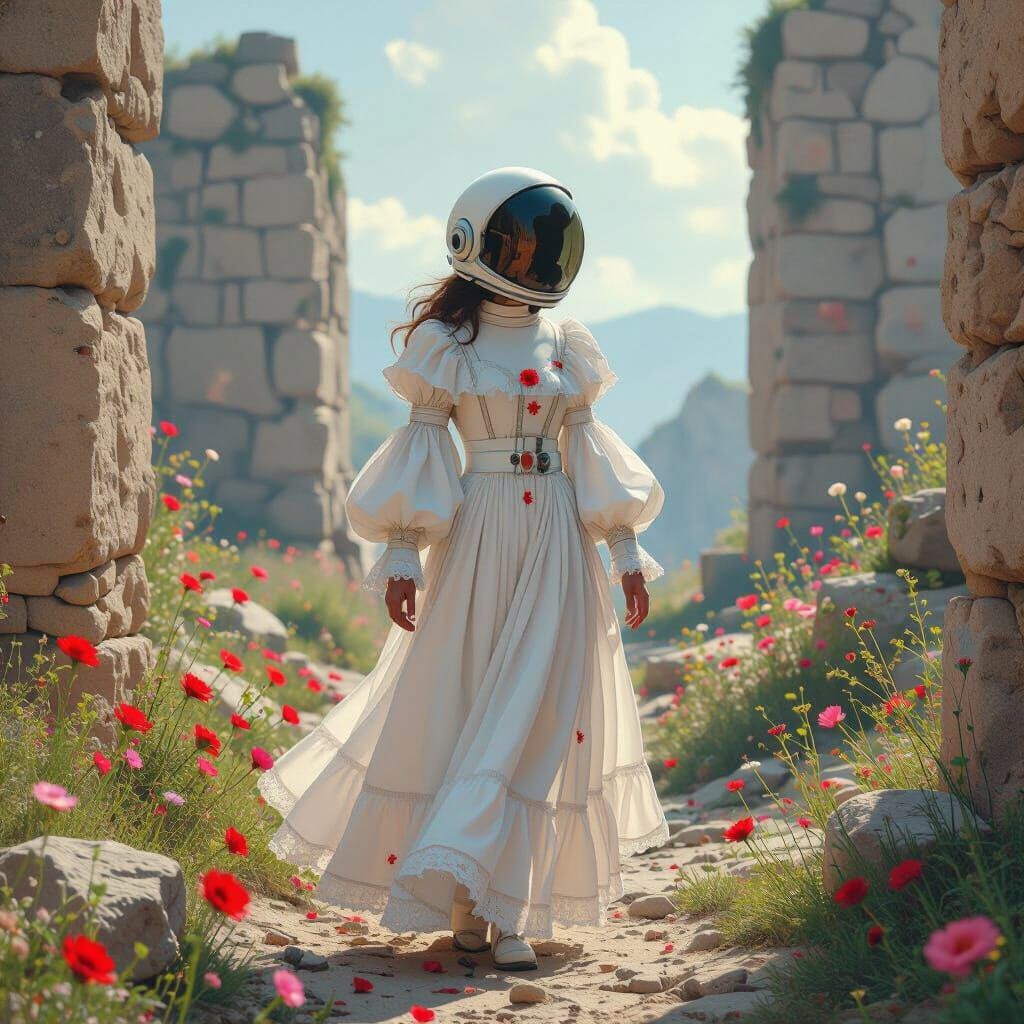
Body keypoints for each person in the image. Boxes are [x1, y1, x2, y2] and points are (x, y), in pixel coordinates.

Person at [259, 167, 668, 972]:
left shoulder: (568, 343)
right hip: (478, 537)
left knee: (541, 715)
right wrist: (402, 553)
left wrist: (624, 552)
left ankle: (506, 908)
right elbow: (420, 451)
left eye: (547, 245)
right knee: (473, 705)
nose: (537, 258)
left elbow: (588, 450)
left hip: (556, 538)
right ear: (474, 241)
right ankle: (468, 906)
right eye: (523, 243)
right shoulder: (446, 345)